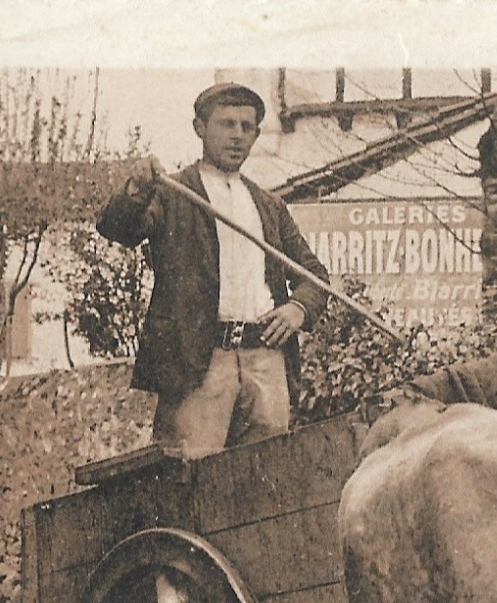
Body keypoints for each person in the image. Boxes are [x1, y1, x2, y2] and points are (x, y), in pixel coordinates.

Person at [98, 82, 329, 457]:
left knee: (268, 477)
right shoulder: (172, 193)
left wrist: (298, 308)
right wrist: (136, 188)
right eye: (226, 124)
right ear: (199, 128)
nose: (237, 135)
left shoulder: (269, 205)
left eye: (246, 127)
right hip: (199, 362)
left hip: (266, 359)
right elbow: (117, 229)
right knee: (191, 479)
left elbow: (313, 274)